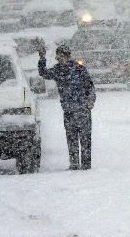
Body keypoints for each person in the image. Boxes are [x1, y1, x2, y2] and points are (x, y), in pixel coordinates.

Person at [37, 41, 96, 170]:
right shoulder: (58, 70)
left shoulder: (79, 69)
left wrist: (90, 101)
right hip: (68, 111)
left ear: (68, 56)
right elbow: (44, 73)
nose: (60, 59)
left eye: (62, 56)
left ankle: (86, 165)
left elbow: (90, 86)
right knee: (71, 139)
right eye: (58, 57)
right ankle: (74, 164)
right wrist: (42, 58)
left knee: (85, 139)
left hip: (83, 110)